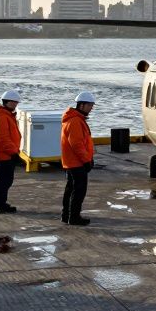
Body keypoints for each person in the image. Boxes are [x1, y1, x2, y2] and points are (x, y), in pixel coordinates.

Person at [61, 91, 95, 226]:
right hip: (76, 163)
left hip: (72, 162)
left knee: (71, 189)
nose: (91, 108)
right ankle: (74, 217)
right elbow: (76, 144)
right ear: (82, 105)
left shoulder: (75, 119)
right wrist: (86, 160)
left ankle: (67, 215)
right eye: (90, 105)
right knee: (78, 191)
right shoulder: (75, 121)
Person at [0, 89, 23, 214]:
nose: (15, 105)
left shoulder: (6, 115)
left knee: (4, 181)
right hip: (4, 155)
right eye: (13, 102)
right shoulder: (2, 117)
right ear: (7, 102)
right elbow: (3, 138)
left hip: (6, 154)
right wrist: (13, 153)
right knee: (3, 181)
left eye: (16, 103)